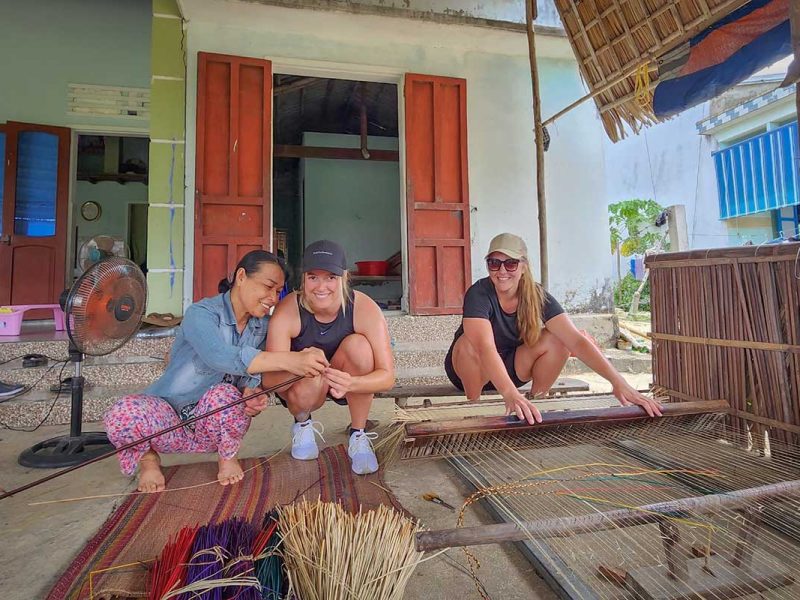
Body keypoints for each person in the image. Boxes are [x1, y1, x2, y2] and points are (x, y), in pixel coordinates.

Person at [104, 250, 328, 493]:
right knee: (121, 413)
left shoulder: (263, 327)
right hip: (167, 418)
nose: (273, 298)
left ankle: (227, 457)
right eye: (268, 286)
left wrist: (252, 395)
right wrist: (290, 360)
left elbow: (251, 379)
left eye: (277, 291)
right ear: (241, 276)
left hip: (212, 423)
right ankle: (148, 461)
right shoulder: (201, 314)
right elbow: (219, 356)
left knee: (225, 394)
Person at [445, 233, 662, 424]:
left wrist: (619, 383)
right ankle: (472, 409)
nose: (502, 271)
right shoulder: (479, 293)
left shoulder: (537, 295)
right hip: (471, 372)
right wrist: (510, 393)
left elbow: (576, 340)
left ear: (523, 266)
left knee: (559, 339)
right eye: (494, 263)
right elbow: (485, 348)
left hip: (512, 366)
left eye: (510, 263)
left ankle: (536, 407)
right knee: (468, 342)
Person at [263, 240, 395, 475]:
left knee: (360, 347)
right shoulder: (288, 310)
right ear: (303, 278)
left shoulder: (364, 308)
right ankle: (302, 424)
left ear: (344, 277)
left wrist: (352, 383)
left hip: (345, 375)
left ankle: (358, 434)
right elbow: (270, 381)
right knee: (310, 375)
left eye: (330, 277)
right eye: (313, 277)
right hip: (305, 384)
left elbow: (387, 377)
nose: (321, 286)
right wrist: (298, 364)